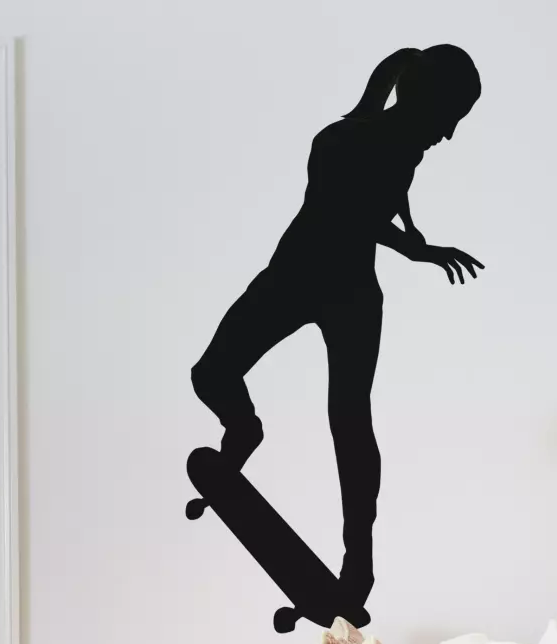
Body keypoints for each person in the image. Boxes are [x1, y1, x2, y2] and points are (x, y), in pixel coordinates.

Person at [189, 44, 484, 608]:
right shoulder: (337, 141)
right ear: (421, 100)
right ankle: (244, 427)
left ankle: (358, 561)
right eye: (449, 118)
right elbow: (348, 213)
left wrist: (415, 237)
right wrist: (415, 247)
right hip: (297, 276)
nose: (447, 135)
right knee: (210, 375)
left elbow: (383, 198)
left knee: (350, 419)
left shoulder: (406, 150)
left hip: (352, 293)